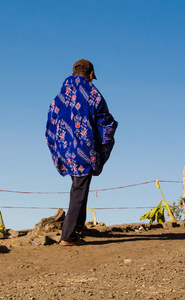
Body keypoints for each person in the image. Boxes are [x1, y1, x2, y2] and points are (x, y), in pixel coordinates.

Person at [45, 59, 118, 246]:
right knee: (79, 189)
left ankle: (78, 227)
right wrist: (102, 149)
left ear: (73, 72)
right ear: (91, 74)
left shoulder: (59, 97)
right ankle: (67, 237)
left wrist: (56, 148)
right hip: (85, 150)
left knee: (79, 186)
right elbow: (107, 125)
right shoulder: (93, 94)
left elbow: (50, 126)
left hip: (64, 150)